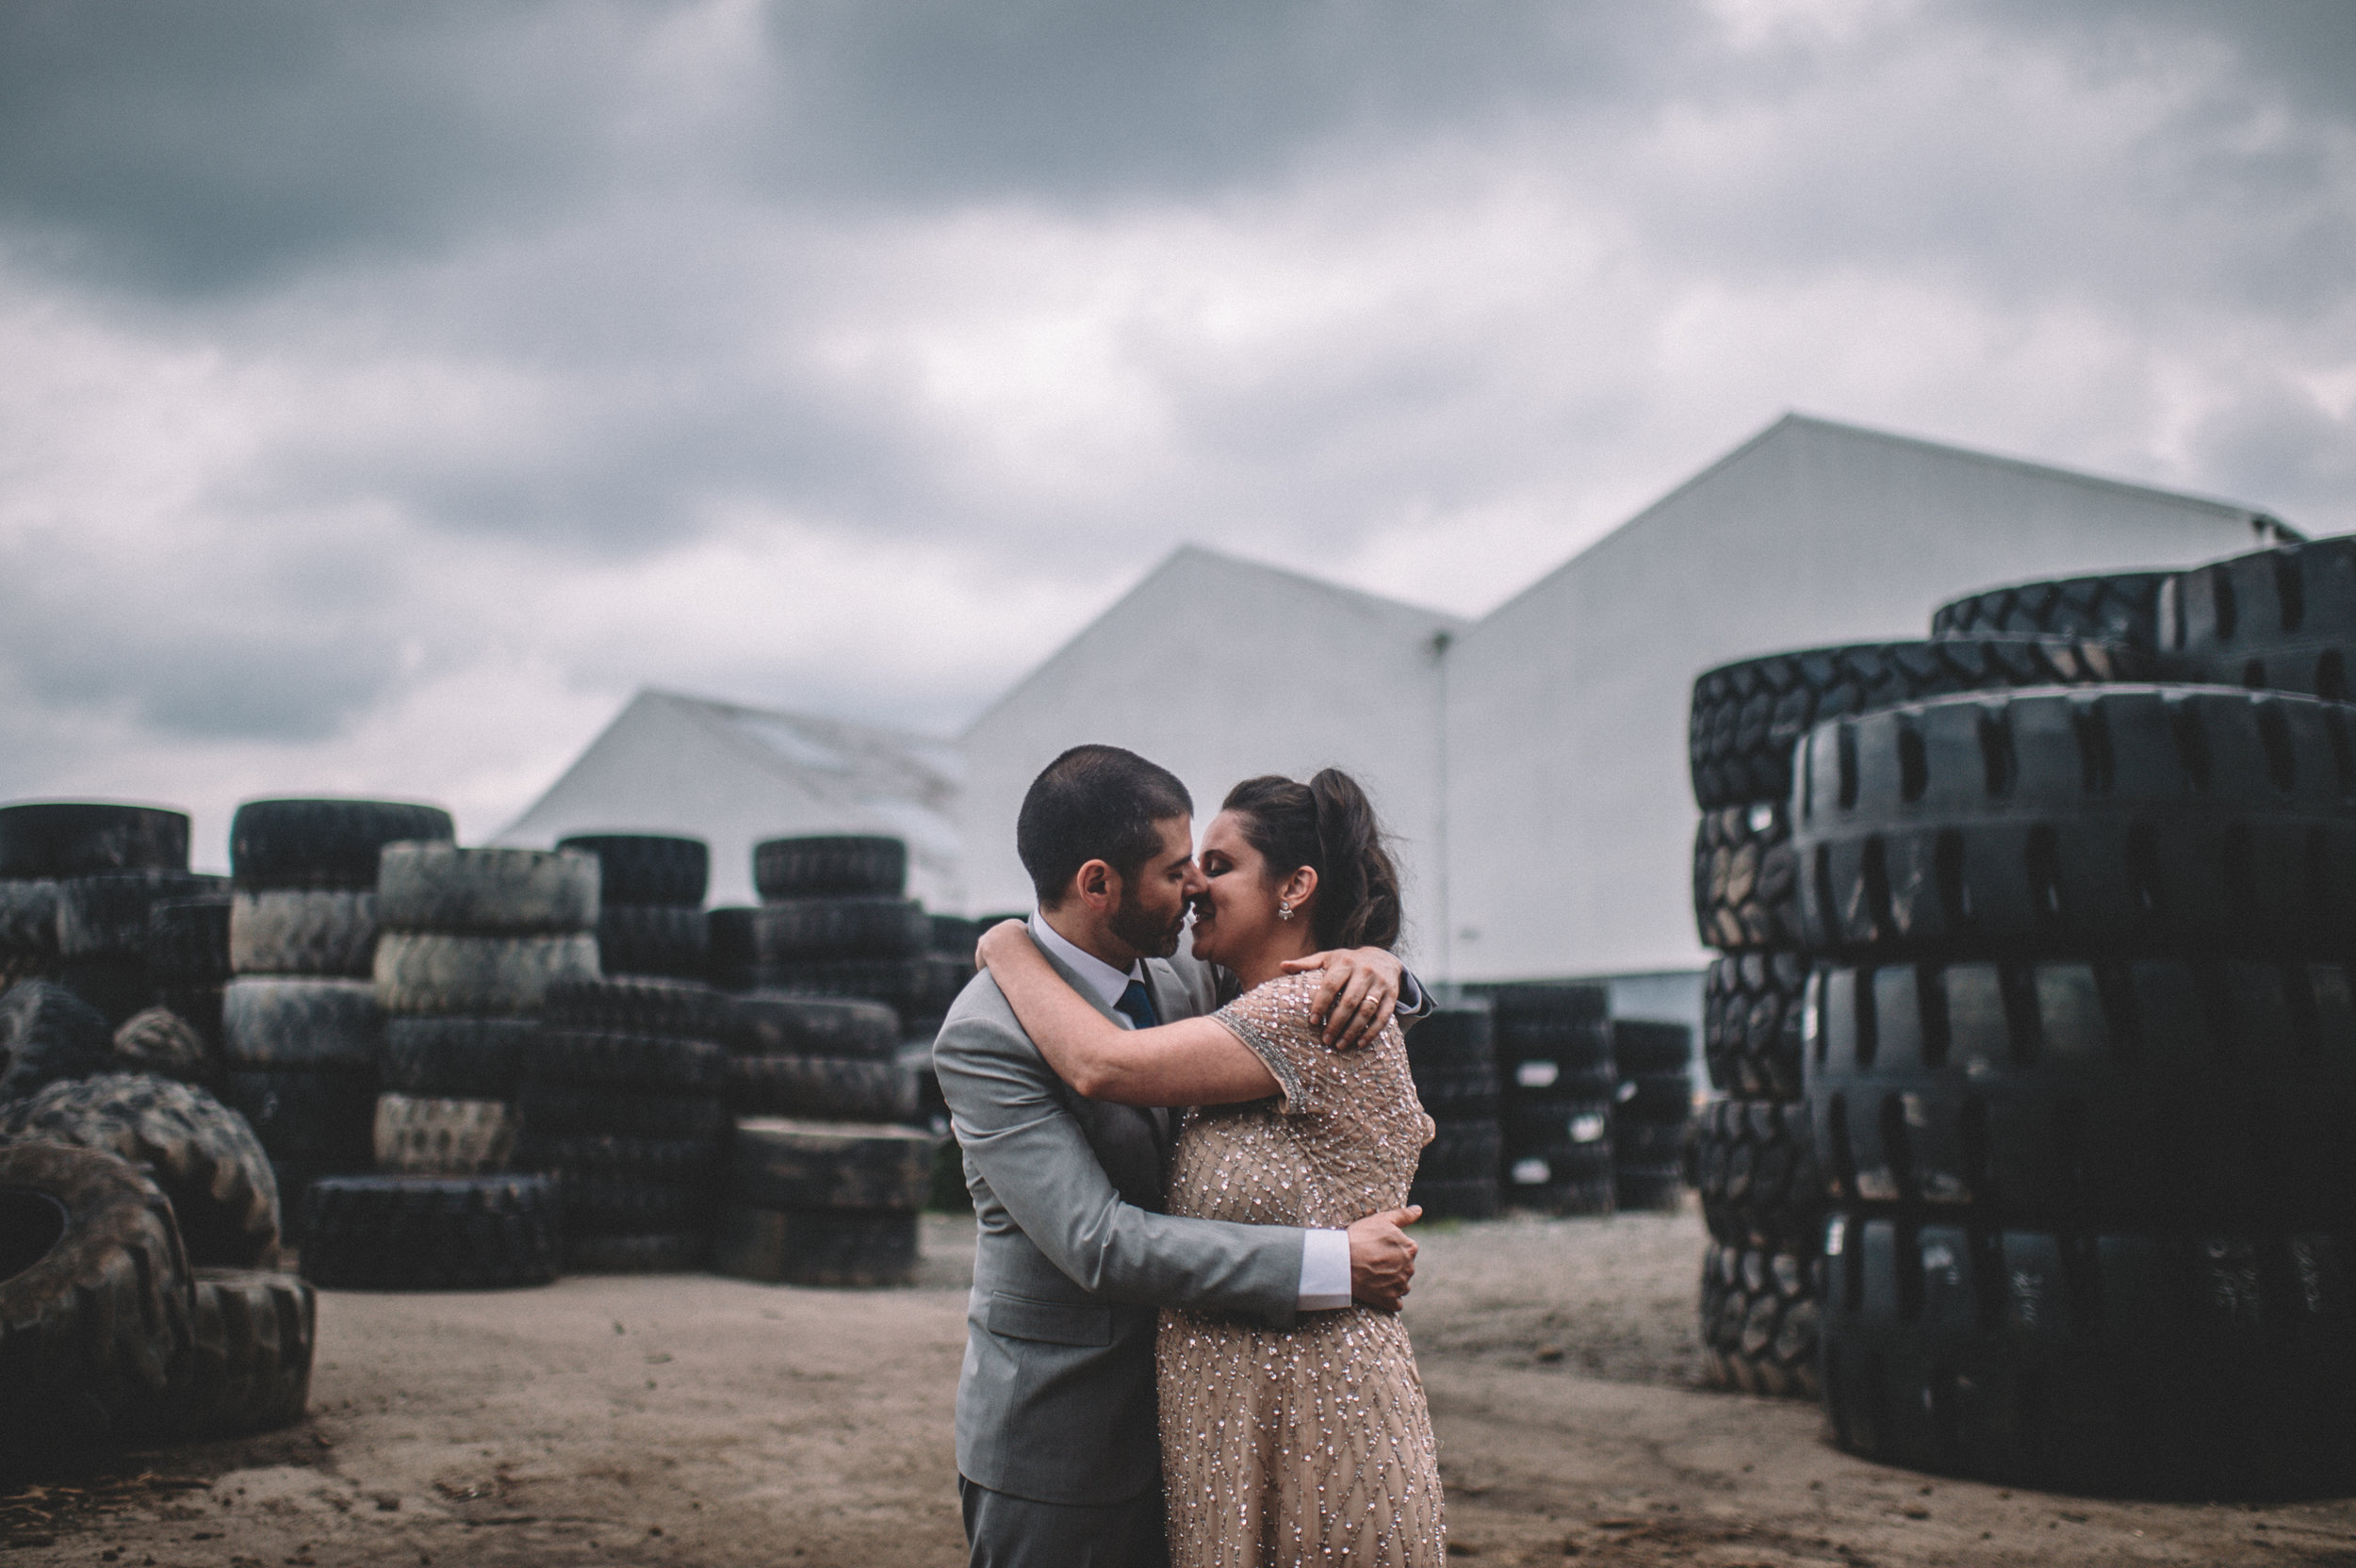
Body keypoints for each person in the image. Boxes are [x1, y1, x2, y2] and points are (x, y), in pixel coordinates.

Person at [934, 745, 1432, 1568]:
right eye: (1176, 871)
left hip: (1217, 1430)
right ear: (1100, 883)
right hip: (1067, 1447)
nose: (1196, 888)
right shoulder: (986, 1035)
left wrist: (1379, 965)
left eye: (1207, 866)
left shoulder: (1183, 978)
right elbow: (1098, 1243)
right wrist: (1330, 1264)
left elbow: (1312, 1031)